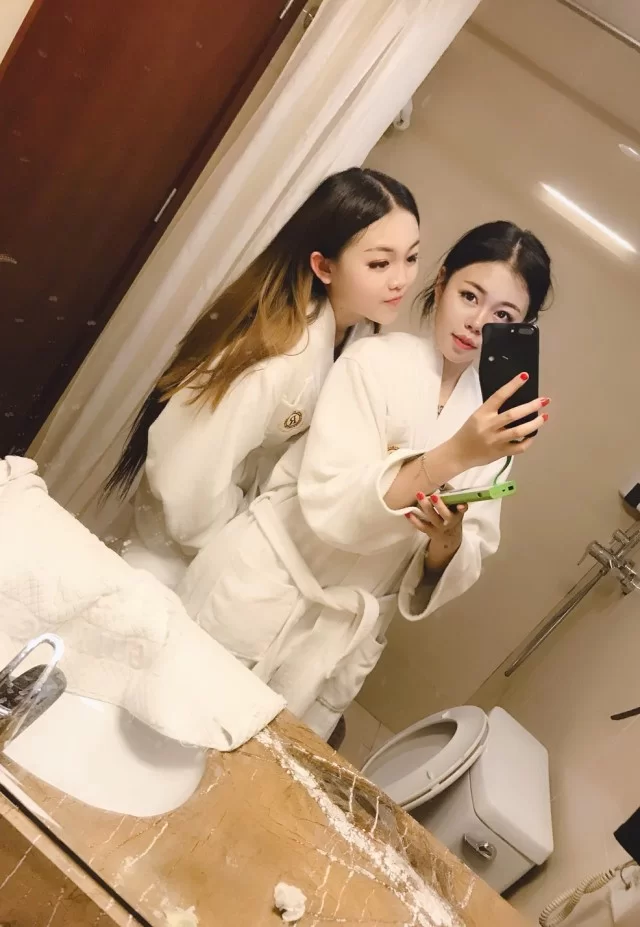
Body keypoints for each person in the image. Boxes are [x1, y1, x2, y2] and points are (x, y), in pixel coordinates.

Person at [178, 220, 553, 742]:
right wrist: (455, 455)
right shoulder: (371, 362)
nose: (477, 323)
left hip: (337, 638)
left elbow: (468, 552)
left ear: (520, 328)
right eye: (470, 296)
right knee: (170, 723)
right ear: (441, 281)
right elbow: (335, 507)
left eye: (503, 316)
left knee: (249, 772)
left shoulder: (495, 427)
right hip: (263, 585)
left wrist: (446, 541)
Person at [104, 168, 420, 588]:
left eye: (411, 257)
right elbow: (188, 481)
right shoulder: (275, 359)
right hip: (171, 560)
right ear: (324, 267)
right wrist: (241, 548)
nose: (401, 279)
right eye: (380, 263)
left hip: (232, 556)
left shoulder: (358, 339)